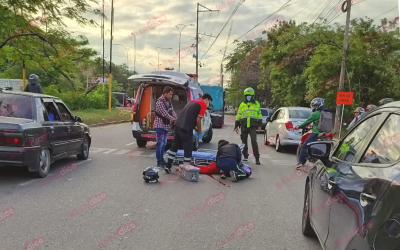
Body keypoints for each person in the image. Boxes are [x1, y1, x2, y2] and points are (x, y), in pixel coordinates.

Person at [164, 93, 213, 173]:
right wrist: (199, 130)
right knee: (188, 148)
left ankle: (168, 165)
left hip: (177, 125)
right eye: (208, 102)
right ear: (206, 99)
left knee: (174, 146)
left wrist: (195, 128)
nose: (207, 104)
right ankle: (186, 169)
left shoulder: (192, 101)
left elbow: (188, 117)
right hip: (186, 129)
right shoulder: (202, 104)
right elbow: (198, 120)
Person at [295, 97, 329, 169]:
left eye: (314, 105)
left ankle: (300, 162)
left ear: (317, 106)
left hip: (316, 133)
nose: (313, 107)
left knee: (305, 146)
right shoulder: (326, 112)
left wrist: (299, 127)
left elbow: (307, 121)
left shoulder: (316, 113)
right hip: (325, 134)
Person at [234, 87, 262, 165]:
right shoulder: (242, 104)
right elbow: (238, 116)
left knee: (254, 141)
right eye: (247, 96)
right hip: (244, 125)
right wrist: (236, 126)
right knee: (244, 142)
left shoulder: (256, 104)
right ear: (245, 96)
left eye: (250, 95)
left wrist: (260, 125)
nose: (248, 97)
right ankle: (245, 156)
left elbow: (259, 115)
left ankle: (257, 158)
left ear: (253, 96)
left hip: (252, 126)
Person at [153, 86, 177, 168]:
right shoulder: (159, 102)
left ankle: (162, 160)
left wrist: (176, 118)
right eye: (170, 94)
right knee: (160, 144)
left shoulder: (168, 101)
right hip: (160, 125)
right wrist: (174, 120)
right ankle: (159, 162)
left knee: (164, 144)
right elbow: (165, 114)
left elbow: (172, 111)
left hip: (166, 125)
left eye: (171, 95)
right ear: (165, 93)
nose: (171, 96)